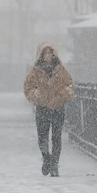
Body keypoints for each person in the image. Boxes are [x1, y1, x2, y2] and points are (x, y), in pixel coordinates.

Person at [23, 42, 74, 177]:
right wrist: (37, 96)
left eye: (50, 53)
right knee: (42, 137)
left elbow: (69, 85)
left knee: (56, 137)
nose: (48, 56)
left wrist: (62, 94)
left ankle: (55, 165)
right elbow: (28, 88)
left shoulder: (61, 70)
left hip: (57, 107)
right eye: (45, 53)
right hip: (42, 108)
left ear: (53, 54)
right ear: (41, 55)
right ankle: (46, 158)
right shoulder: (35, 71)